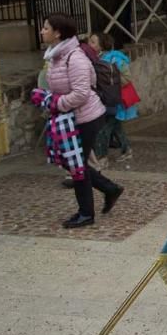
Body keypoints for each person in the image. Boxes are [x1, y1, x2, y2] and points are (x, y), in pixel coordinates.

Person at [39, 13, 124, 228]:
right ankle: (109, 188)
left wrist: (54, 103)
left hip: (87, 117)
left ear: (58, 33)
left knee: (76, 165)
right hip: (71, 116)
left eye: (46, 28)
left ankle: (86, 213)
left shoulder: (74, 58)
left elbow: (81, 94)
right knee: (73, 163)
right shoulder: (55, 56)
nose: (42, 31)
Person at [89, 32, 136, 165]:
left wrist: (110, 81)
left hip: (115, 100)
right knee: (116, 127)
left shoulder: (116, 59)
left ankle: (102, 157)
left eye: (93, 42)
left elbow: (127, 78)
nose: (89, 44)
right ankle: (126, 150)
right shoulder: (97, 59)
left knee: (104, 128)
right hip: (106, 99)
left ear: (102, 45)